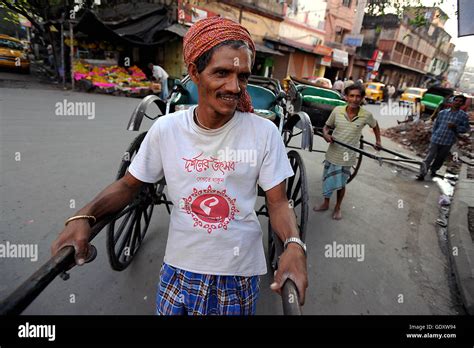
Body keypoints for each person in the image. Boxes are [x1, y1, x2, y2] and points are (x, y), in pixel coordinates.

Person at [51, 16, 308, 315]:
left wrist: (293, 245)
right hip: (178, 272)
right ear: (194, 72)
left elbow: (277, 204)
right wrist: (85, 216)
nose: (234, 87)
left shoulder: (265, 133)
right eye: (221, 73)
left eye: (242, 76)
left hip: (239, 275)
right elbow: (128, 185)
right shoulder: (166, 129)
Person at [313, 84, 382, 220]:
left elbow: (375, 125)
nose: (355, 99)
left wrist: (378, 141)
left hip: (348, 156)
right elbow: (326, 127)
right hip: (333, 152)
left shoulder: (366, 115)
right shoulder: (337, 110)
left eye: (358, 96)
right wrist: (326, 135)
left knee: (341, 183)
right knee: (328, 178)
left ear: (362, 98)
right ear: (346, 97)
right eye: (352, 96)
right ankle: (326, 203)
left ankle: (338, 207)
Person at [416, 95, 470, 180]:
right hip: (436, 138)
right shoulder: (443, 113)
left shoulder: (463, 116)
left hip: (448, 141)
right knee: (429, 156)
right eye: (456, 100)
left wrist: (456, 127)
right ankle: (422, 173)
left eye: (460, 101)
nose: (457, 102)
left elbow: (466, 129)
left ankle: (434, 170)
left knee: (440, 158)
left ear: (462, 103)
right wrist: (433, 134)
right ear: (453, 101)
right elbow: (436, 125)